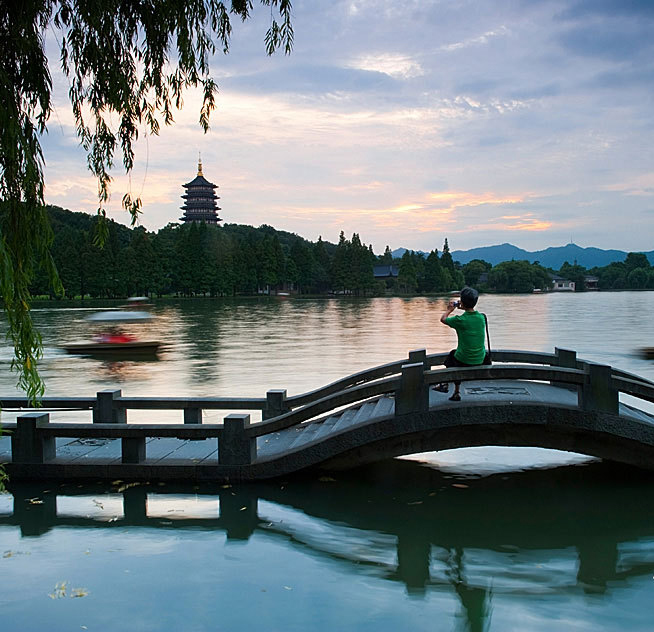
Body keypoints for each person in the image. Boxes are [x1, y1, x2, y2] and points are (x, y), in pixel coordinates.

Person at [435, 287, 488, 401]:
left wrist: (450, 309)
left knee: (452, 356)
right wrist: (463, 306)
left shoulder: (460, 320)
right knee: (458, 354)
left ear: (462, 302)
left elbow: (443, 319)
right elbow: (470, 315)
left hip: (464, 360)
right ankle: (452, 389)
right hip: (480, 359)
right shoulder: (481, 318)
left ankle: (452, 389)